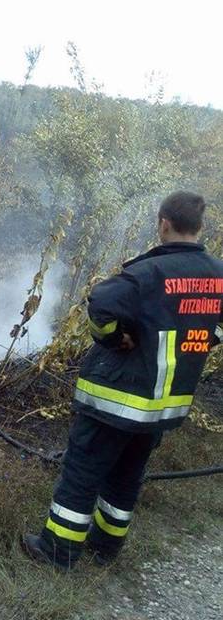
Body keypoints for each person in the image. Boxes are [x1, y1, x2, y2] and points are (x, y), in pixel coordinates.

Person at [23, 191, 223, 570]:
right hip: (162, 405)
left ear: (164, 223)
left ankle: (57, 551)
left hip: (118, 398)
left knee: (83, 471)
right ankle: (105, 549)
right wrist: (205, 338)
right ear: (199, 227)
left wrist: (116, 339)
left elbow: (100, 306)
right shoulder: (217, 274)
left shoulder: (149, 273)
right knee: (127, 477)